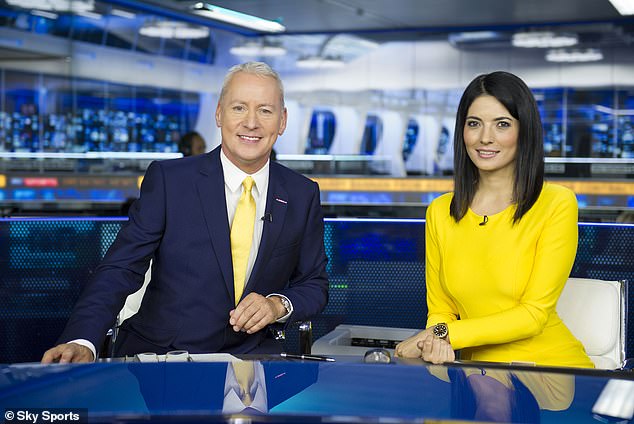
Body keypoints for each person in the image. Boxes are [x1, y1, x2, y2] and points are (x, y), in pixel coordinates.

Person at [42, 62, 329, 363]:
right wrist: (83, 339)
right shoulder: (170, 181)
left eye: (265, 111)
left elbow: (314, 284)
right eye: (239, 108)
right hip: (165, 357)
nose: (251, 123)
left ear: (282, 121)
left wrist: (276, 305)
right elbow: (121, 268)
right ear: (219, 114)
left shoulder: (301, 193)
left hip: (252, 361)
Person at [395, 71, 593, 368]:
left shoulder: (556, 203)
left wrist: (443, 334)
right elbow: (441, 310)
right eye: (474, 124)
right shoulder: (440, 211)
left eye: (502, 124)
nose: (485, 138)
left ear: (524, 131)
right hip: (475, 375)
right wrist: (437, 338)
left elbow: (533, 316)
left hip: (550, 372)